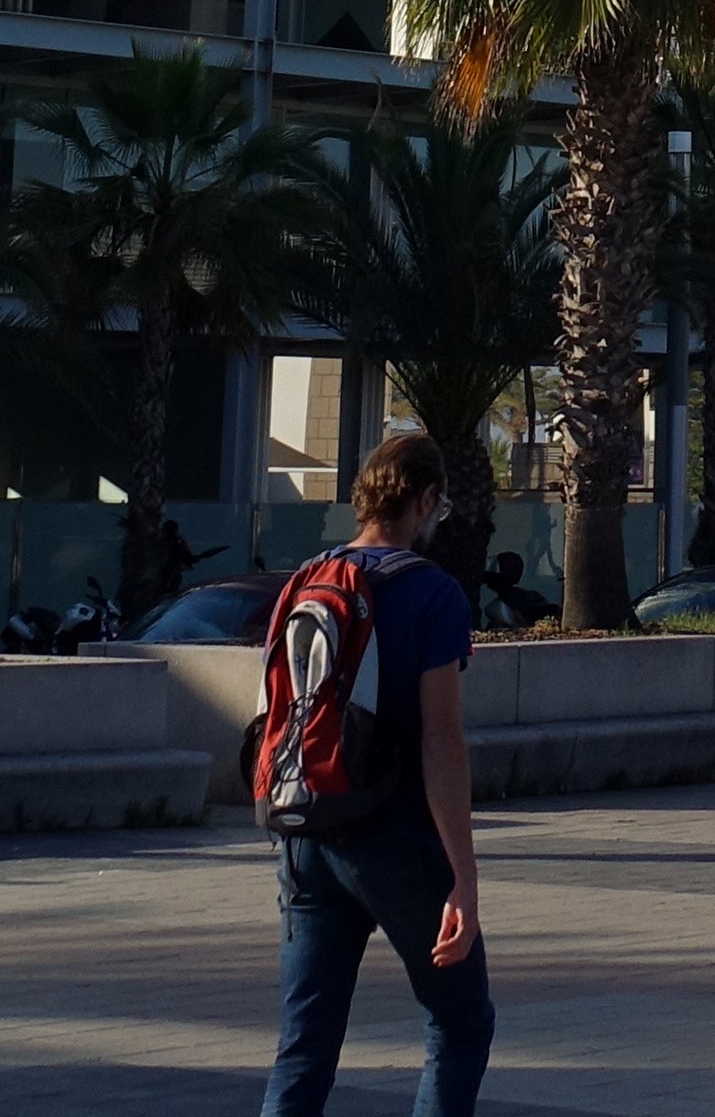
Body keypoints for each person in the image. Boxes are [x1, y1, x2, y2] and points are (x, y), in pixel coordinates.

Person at [264, 428, 493, 1117]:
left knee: (304, 1045)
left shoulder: (308, 579)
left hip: (308, 830)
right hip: (393, 838)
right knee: (460, 1020)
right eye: (439, 505)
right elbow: (440, 742)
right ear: (425, 500)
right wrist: (464, 877)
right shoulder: (433, 594)